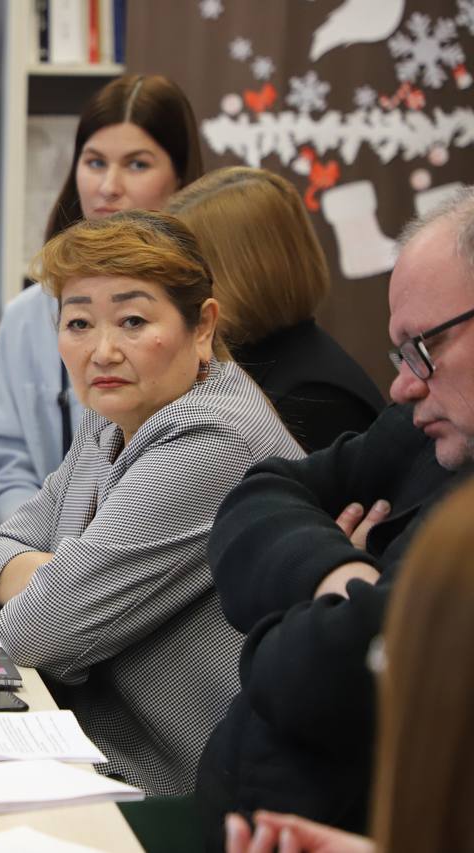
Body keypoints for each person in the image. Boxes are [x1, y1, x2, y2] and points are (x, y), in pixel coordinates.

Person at [0, 210, 304, 796]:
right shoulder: (116, 416)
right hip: (95, 748)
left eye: (132, 321)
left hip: (192, 791)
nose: (102, 351)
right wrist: (65, 574)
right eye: (78, 323)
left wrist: (60, 583)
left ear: (202, 327)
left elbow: (37, 631)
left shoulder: (210, 437)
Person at [197, 187, 474, 848]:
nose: (404, 385)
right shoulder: (430, 429)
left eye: (424, 347)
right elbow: (257, 495)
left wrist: (311, 608)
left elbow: (303, 679)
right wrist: (347, 575)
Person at [0, 73, 203, 526]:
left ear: (180, 178)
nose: (108, 186)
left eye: (137, 165)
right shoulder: (26, 316)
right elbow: (7, 465)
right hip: (46, 548)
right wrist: (32, 546)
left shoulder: (201, 307)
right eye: (95, 162)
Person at [225, 474, 474, 853]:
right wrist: (346, 576)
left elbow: (307, 669)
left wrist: (338, 600)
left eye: (383, 654)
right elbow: (260, 494)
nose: (382, 669)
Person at [167, 167, 383, 451]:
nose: (173, 289)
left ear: (239, 275)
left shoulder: (310, 396)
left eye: (186, 271)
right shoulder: (267, 370)